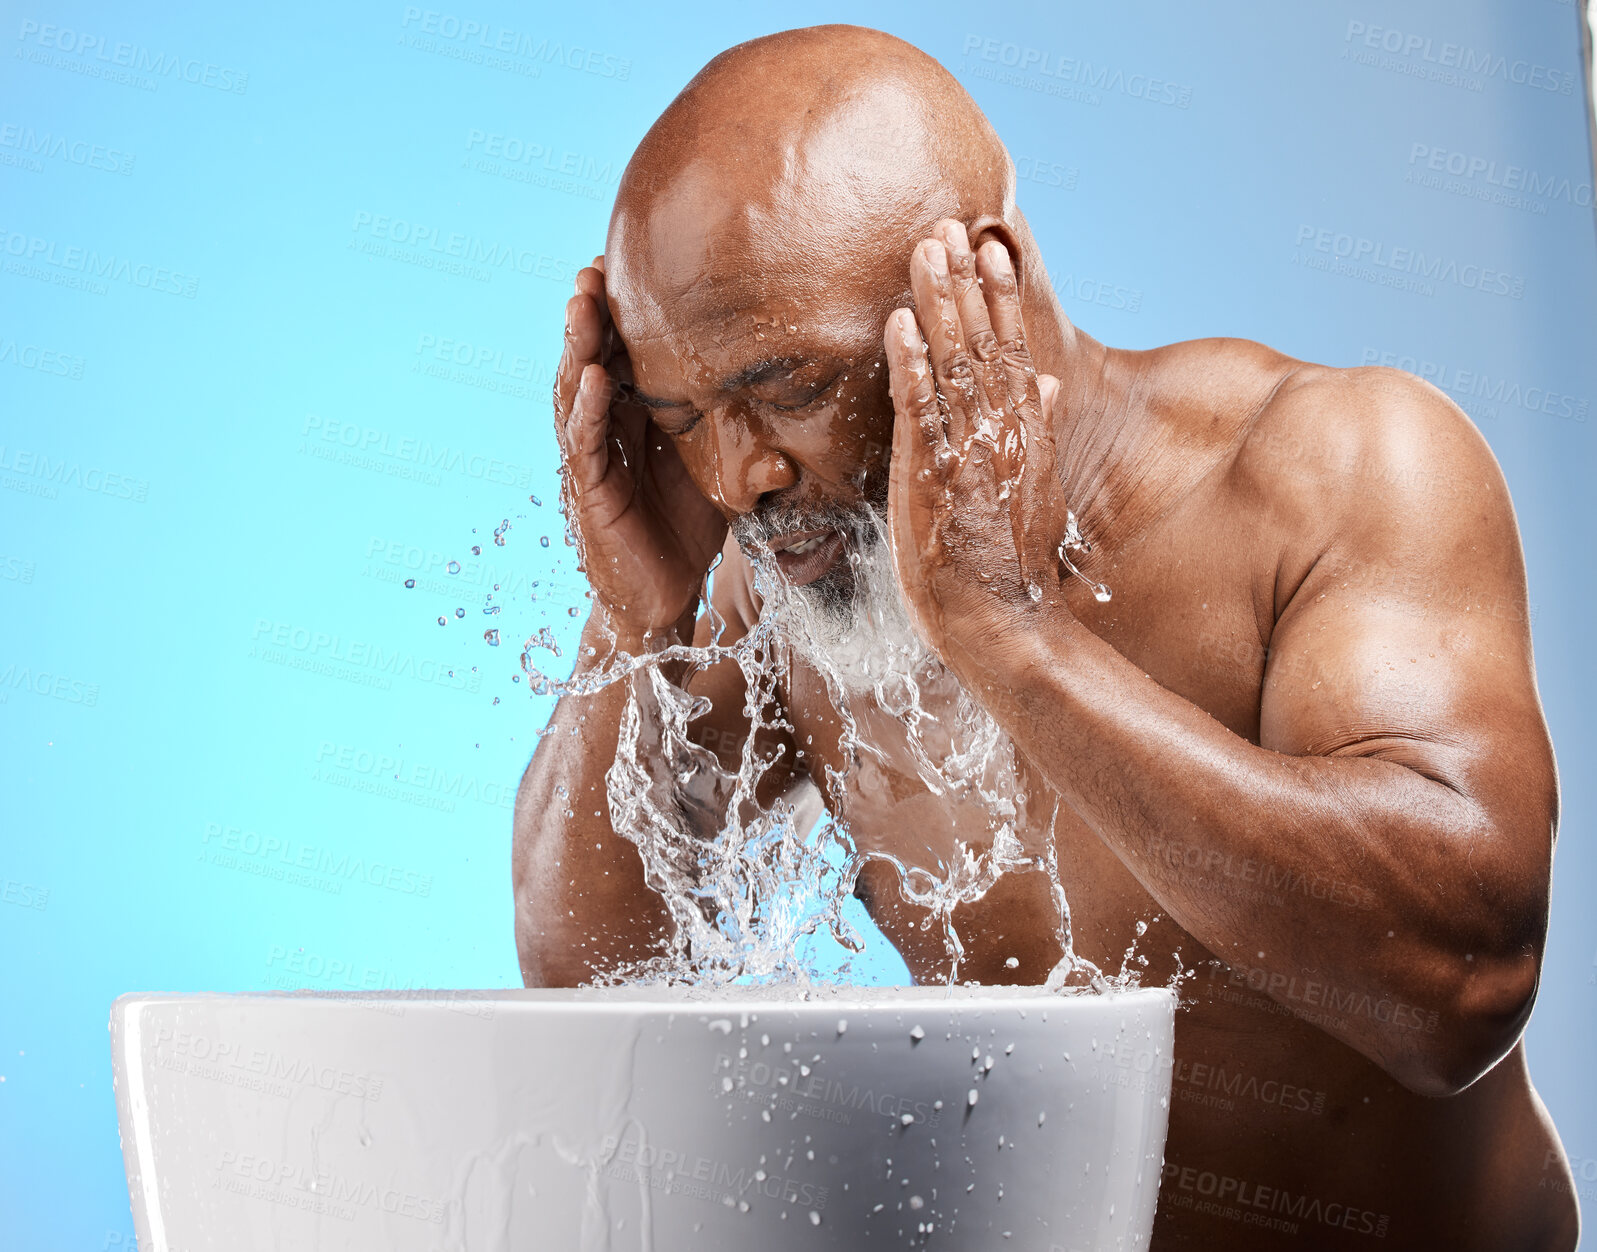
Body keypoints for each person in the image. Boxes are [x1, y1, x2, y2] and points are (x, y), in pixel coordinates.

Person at [512, 24, 1578, 1249]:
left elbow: (1459, 985)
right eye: (684, 414)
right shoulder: (799, 595)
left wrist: (1010, 638)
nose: (738, 473)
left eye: (793, 386)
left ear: (988, 290)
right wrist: (632, 623)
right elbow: (594, 991)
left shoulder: (1332, 469)